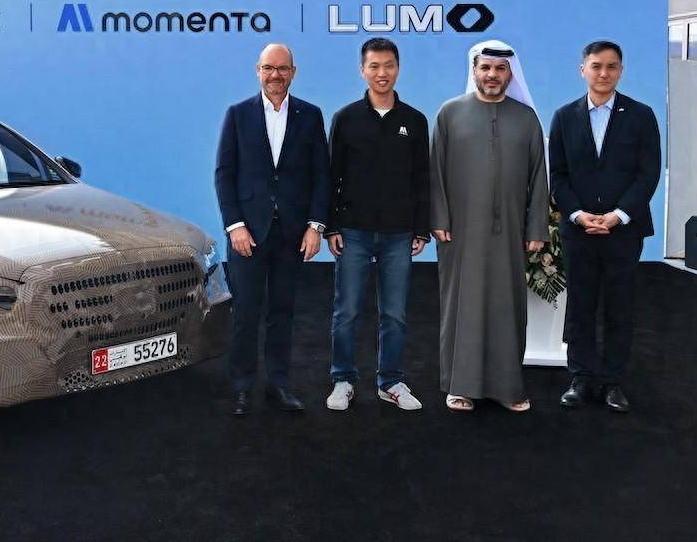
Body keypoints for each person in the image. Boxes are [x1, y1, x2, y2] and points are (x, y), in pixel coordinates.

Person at [430, 40, 549, 412]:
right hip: (460, 232)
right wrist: (439, 218)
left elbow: (539, 178)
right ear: (474, 70)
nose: (492, 75)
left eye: (500, 69)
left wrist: (536, 228)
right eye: (485, 68)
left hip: (511, 232)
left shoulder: (526, 119)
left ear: (511, 74)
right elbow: (435, 172)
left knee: (506, 307)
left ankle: (507, 387)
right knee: (461, 306)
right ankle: (460, 386)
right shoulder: (450, 113)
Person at [215, 43, 329, 416]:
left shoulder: (310, 115)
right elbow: (224, 174)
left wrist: (315, 226)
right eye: (268, 68)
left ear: (293, 72)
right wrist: (235, 226)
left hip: (291, 234)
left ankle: (278, 385)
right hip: (247, 234)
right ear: (257, 70)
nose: (275, 75)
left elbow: (321, 175)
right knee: (246, 314)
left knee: (283, 312)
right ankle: (242, 388)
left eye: (282, 68)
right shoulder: (237, 115)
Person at [549, 40, 661, 413]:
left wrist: (619, 215)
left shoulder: (641, 115)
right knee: (580, 307)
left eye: (611, 66)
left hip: (624, 231)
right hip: (578, 230)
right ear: (582, 69)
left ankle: (613, 381)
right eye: (596, 66)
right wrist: (578, 214)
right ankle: (580, 378)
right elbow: (558, 176)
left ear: (621, 71)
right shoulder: (564, 117)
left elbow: (648, 173)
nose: (603, 73)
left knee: (619, 306)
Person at [324, 37, 430, 412]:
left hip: (399, 233)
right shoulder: (345, 118)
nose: (381, 73)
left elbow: (422, 179)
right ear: (362, 70)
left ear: (398, 69)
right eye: (374, 66)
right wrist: (331, 227)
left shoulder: (415, 121)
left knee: (395, 314)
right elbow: (331, 176)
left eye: (388, 65)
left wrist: (421, 228)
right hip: (353, 231)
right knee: (347, 312)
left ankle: (391, 381)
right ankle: (343, 380)